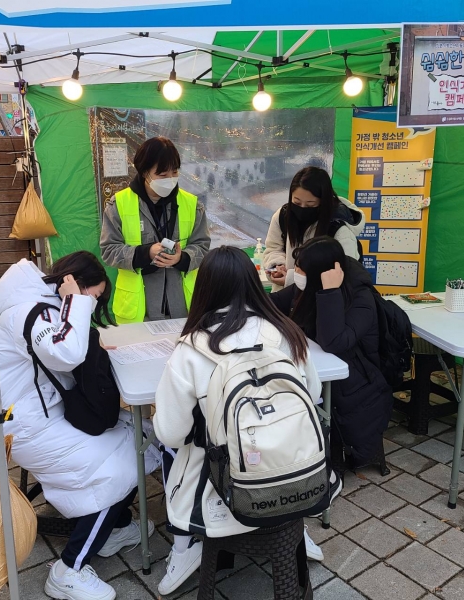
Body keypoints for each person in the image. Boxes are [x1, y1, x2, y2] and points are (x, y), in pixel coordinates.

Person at [153, 246, 324, 596]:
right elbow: (314, 393)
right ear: (253, 284)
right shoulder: (287, 332)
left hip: (221, 491)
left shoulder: (190, 349)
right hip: (296, 475)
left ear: (204, 289)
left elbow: (170, 434)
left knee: (183, 453)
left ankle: (184, 552)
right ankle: (296, 530)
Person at [0, 252, 161, 600]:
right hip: (26, 428)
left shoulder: (41, 305)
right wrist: (76, 302)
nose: (94, 303)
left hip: (49, 414)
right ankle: (68, 570)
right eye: (94, 296)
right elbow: (64, 354)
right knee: (121, 467)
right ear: (74, 285)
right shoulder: (29, 310)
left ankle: (113, 528)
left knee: (143, 437)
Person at [269, 236, 394, 471]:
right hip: (317, 370)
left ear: (323, 273)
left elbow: (334, 342)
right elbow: (272, 303)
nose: (296, 273)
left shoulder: (360, 298)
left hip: (355, 384)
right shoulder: (307, 287)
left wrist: (330, 292)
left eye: (301, 269)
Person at [100, 136, 210, 323]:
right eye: (162, 175)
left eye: (174, 173)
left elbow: (202, 246)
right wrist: (146, 252)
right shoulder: (118, 204)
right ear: (144, 172)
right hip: (137, 311)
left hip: (185, 308)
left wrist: (182, 258)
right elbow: (109, 250)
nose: (170, 179)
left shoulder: (192, 204)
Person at [263, 166, 365, 291]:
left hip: (322, 300)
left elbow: (344, 274)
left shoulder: (339, 228)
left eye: (310, 204)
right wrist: (277, 266)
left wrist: (292, 278)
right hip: (286, 299)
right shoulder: (283, 216)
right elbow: (273, 248)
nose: (302, 208)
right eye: (297, 202)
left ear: (323, 202)